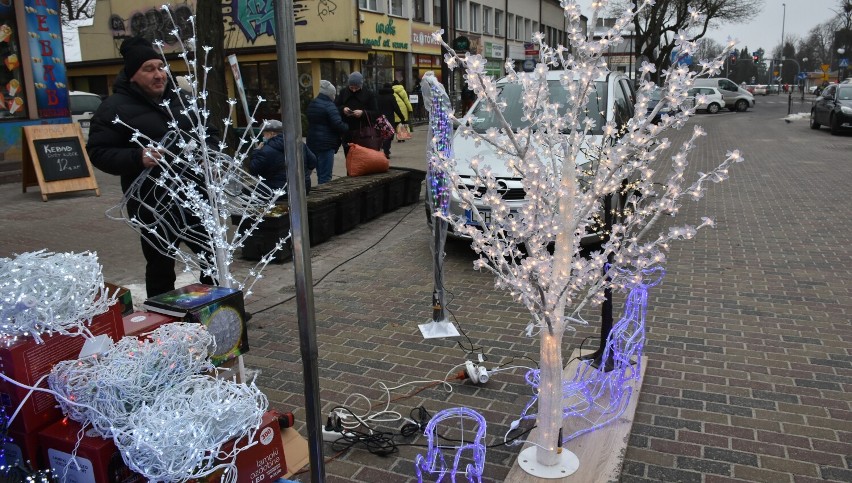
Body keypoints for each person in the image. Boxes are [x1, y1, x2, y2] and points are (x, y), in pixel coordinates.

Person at [87, 36, 215, 297]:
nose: (158, 75)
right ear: (132, 75)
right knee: (160, 265)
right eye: (149, 69)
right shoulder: (113, 108)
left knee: (213, 255)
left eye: (161, 67)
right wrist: (137, 157)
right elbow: (99, 152)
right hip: (152, 203)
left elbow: (209, 132)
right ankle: (163, 319)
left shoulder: (182, 99)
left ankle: (220, 306)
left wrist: (208, 153)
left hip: (196, 195)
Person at [249, 120, 318, 194]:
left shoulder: (266, 150)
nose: (263, 137)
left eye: (264, 134)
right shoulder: (299, 144)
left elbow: (254, 170)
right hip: (303, 188)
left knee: (246, 191)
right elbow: (313, 162)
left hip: (278, 190)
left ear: (272, 134)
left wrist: (256, 151)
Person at [306, 80, 348, 184]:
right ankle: (324, 198)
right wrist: (347, 127)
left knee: (313, 171)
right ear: (330, 94)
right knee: (325, 176)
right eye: (334, 94)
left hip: (312, 142)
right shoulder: (329, 106)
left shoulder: (313, 103)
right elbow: (338, 124)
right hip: (326, 144)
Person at [335, 71, 379, 155]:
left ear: (361, 85)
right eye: (351, 87)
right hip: (347, 132)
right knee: (349, 157)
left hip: (363, 132)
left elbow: (376, 112)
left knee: (362, 158)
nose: (354, 90)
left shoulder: (369, 94)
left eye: (356, 87)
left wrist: (362, 113)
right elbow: (335, 107)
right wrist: (343, 109)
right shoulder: (343, 92)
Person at [376, 83, 405, 158]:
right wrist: (402, 118)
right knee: (389, 134)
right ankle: (386, 151)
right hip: (389, 118)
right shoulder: (391, 97)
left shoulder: (378, 96)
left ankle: (379, 150)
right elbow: (396, 108)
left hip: (379, 118)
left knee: (380, 134)